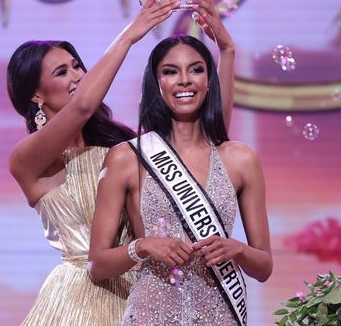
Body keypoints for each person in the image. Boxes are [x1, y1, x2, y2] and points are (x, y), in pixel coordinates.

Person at [7, 0, 235, 325]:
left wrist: (227, 52)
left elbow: (210, 142)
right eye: (61, 73)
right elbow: (83, 105)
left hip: (145, 294)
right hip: (78, 301)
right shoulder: (27, 159)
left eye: (76, 66)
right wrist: (133, 33)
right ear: (36, 94)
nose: (77, 77)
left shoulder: (124, 148)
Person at [88, 17, 272, 325]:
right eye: (170, 72)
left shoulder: (241, 159)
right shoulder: (126, 158)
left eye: (196, 69)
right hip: (150, 315)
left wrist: (236, 249)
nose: (184, 80)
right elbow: (97, 265)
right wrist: (142, 246)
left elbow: (263, 267)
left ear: (209, 80)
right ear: (157, 83)